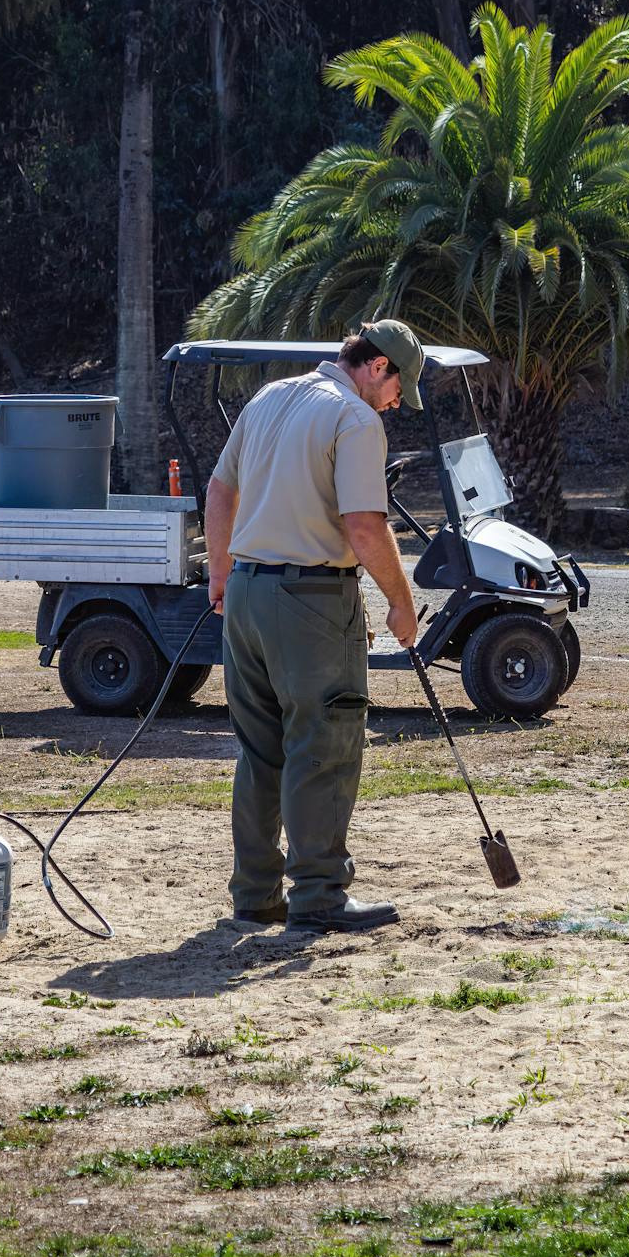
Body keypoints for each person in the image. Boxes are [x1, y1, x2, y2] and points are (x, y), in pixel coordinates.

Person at [202, 321, 426, 933]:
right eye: (400, 386)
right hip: (313, 598)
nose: (398, 401)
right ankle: (320, 894)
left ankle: (254, 893)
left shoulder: (269, 397)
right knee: (324, 745)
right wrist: (401, 604)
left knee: (259, 749)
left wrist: (221, 573)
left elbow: (220, 490)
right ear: (377, 367)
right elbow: (363, 526)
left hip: (246, 594)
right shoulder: (354, 420)